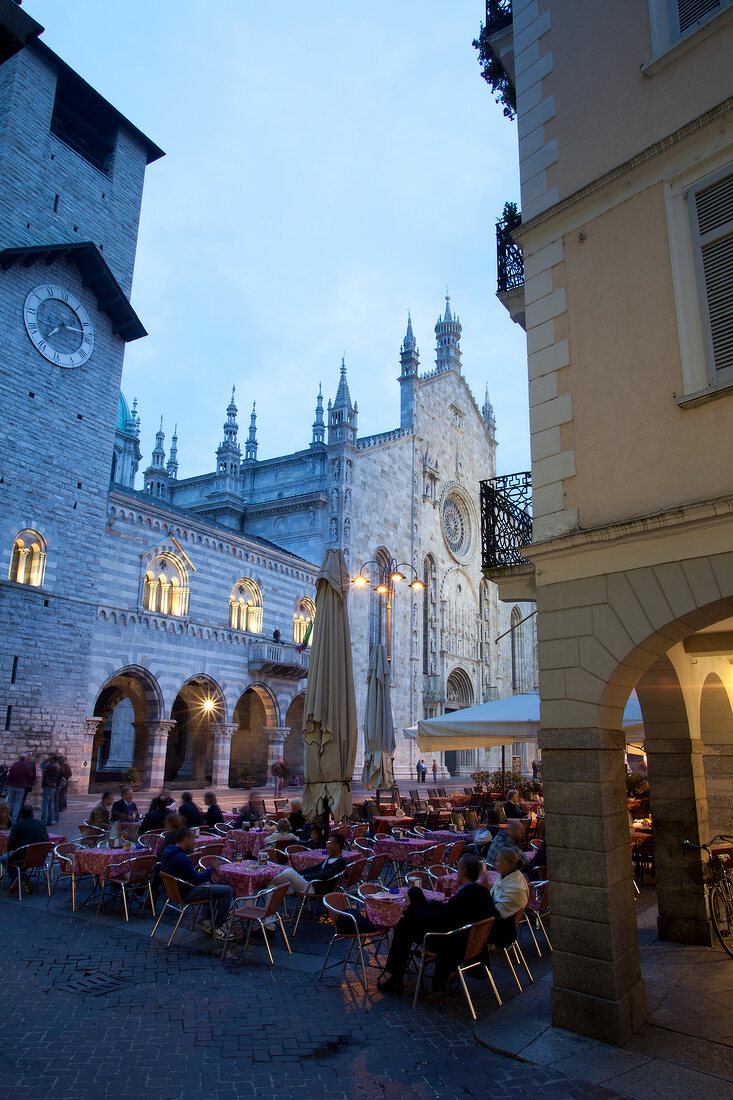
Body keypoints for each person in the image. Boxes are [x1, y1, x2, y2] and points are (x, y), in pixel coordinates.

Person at [377, 853, 494, 995]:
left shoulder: (463, 898)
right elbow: (449, 912)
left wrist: (411, 909)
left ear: (463, 872)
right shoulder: (482, 893)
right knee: (415, 892)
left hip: (447, 940)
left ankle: (395, 978)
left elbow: (436, 921)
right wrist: (430, 902)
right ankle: (395, 976)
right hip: (462, 938)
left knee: (404, 924)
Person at [159, 828, 233, 937]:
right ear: (185, 839)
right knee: (227, 891)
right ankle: (217, 926)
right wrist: (211, 869)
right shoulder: (182, 857)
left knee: (210, 887)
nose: (193, 842)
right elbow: (196, 880)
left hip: (174, 891)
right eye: (192, 839)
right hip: (186, 893)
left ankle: (205, 921)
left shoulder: (168, 851)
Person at [271, 832, 347, 896]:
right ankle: (270, 913)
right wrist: (298, 874)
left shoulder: (340, 862)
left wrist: (305, 877)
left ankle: (268, 881)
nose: (326, 845)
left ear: (337, 846)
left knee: (288, 872)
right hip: (309, 883)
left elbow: (325, 875)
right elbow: (314, 868)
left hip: (315, 888)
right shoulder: (330, 858)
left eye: (330, 843)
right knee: (271, 887)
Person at [487, 847, 530, 945]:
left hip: (502, 929)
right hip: (499, 921)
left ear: (508, 865)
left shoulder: (516, 887)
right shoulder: (505, 877)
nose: (495, 864)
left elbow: (499, 911)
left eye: (498, 862)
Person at [4, 806, 49, 877]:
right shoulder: (41, 824)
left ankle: (17, 879)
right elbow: (46, 840)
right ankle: (20, 877)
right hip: (40, 858)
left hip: (21, 857)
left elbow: (11, 845)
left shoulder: (17, 826)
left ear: (21, 814)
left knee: (3, 858)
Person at [6, 754, 34, 823]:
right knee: (17, 804)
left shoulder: (14, 765)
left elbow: (9, 776)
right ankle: (14, 820)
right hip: (21, 787)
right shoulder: (26, 766)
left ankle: (6, 818)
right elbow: (30, 775)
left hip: (12, 786)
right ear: (25, 759)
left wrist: (10, 782)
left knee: (9, 802)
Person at [40, 754, 60, 826]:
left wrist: (46, 760)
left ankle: (44, 820)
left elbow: (42, 765)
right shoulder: (56, 765)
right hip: (52, 786)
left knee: (45, 804)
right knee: (50, 804)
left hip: (48, 785)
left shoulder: (52, 766)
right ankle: (50, 820)